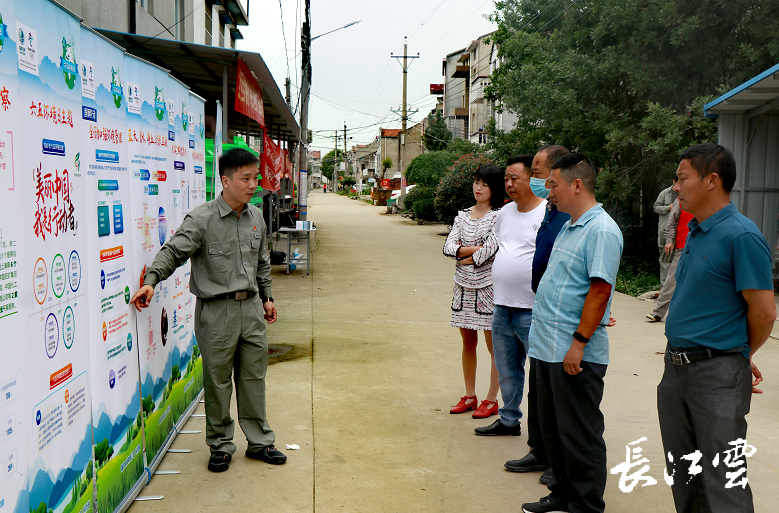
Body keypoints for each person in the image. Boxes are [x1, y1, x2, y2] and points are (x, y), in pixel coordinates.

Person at [130, 148, 286, 473]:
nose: (253, 185)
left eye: (255, 178)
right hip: (216, 313)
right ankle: (220, 445)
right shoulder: (202, 219)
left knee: (254, 378)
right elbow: (173, 251)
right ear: (226, 180)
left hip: (252, 311)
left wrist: (267, 297)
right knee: (217, 382)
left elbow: (261, 263)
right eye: (246, 178)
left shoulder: (255, 217)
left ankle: (260, 442)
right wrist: (151, 281)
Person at [658, 143, 775, 513]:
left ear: (712, 180)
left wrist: (740, 353)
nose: (676, 186)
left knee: (724, 479)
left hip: (717, 374)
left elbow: (764, 313)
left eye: (682, 178)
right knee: (684, 472)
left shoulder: (741, 236)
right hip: (675, 369)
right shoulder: (696, 229)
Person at [522, 153, 623, 513]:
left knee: (580, 434)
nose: (549, 193)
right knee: (554, 431)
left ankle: (585, 505)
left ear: (576, 185)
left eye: (553, 184)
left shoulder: (602, 230)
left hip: (574, 352)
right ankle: (562, 495)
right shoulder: (570, 224)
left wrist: (578, 344)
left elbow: (599, 291)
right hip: (548, 348)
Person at [504, 145, 570, 483]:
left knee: (560, 395)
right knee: (539, 390)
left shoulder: (571, 216)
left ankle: (559, 464)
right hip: (540, 311)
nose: (536, 177)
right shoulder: (550, 210)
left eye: (539, 170)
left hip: (559, 319)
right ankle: (540, 450)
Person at [472, 155, 547, 437]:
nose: (509, 183)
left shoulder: (547, 214)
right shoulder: (504, 213)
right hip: (502, 305)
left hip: (532, 308)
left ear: (533, 179)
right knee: (507, 370)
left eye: (515, 178)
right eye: (506, 178)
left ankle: (540, 433)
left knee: (540, 375)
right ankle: (508, 420)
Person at [442, 164, 506, 418]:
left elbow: (491, 249)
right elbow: (448, 247)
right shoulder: (463, 215)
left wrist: (465, 252)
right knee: (468, 343)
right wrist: (470, 250)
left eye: (485, 184)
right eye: (476, 182)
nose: (478, 188)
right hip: (462, 287)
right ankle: (470, 396)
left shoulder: (500, 216)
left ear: (494, 188)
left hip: (488, 288)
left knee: (494, 347)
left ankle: (491, 399)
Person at [646, 180, 693, 322]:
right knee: (671, 280)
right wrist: (668, 241)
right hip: (681, 247)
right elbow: (671, 222)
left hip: (700, 247)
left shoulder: (706, 202)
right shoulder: (680, 201)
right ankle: (658, 313)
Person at [654, 179, 677, 286]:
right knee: (665, 257)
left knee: (677, 258)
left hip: (679, 230)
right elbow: (655, 208)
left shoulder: (685, 193)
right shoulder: (664, 193)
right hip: (664, 229)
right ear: (673, 181)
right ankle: (664, 286)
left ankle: (675, 287)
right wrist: (668, 208)